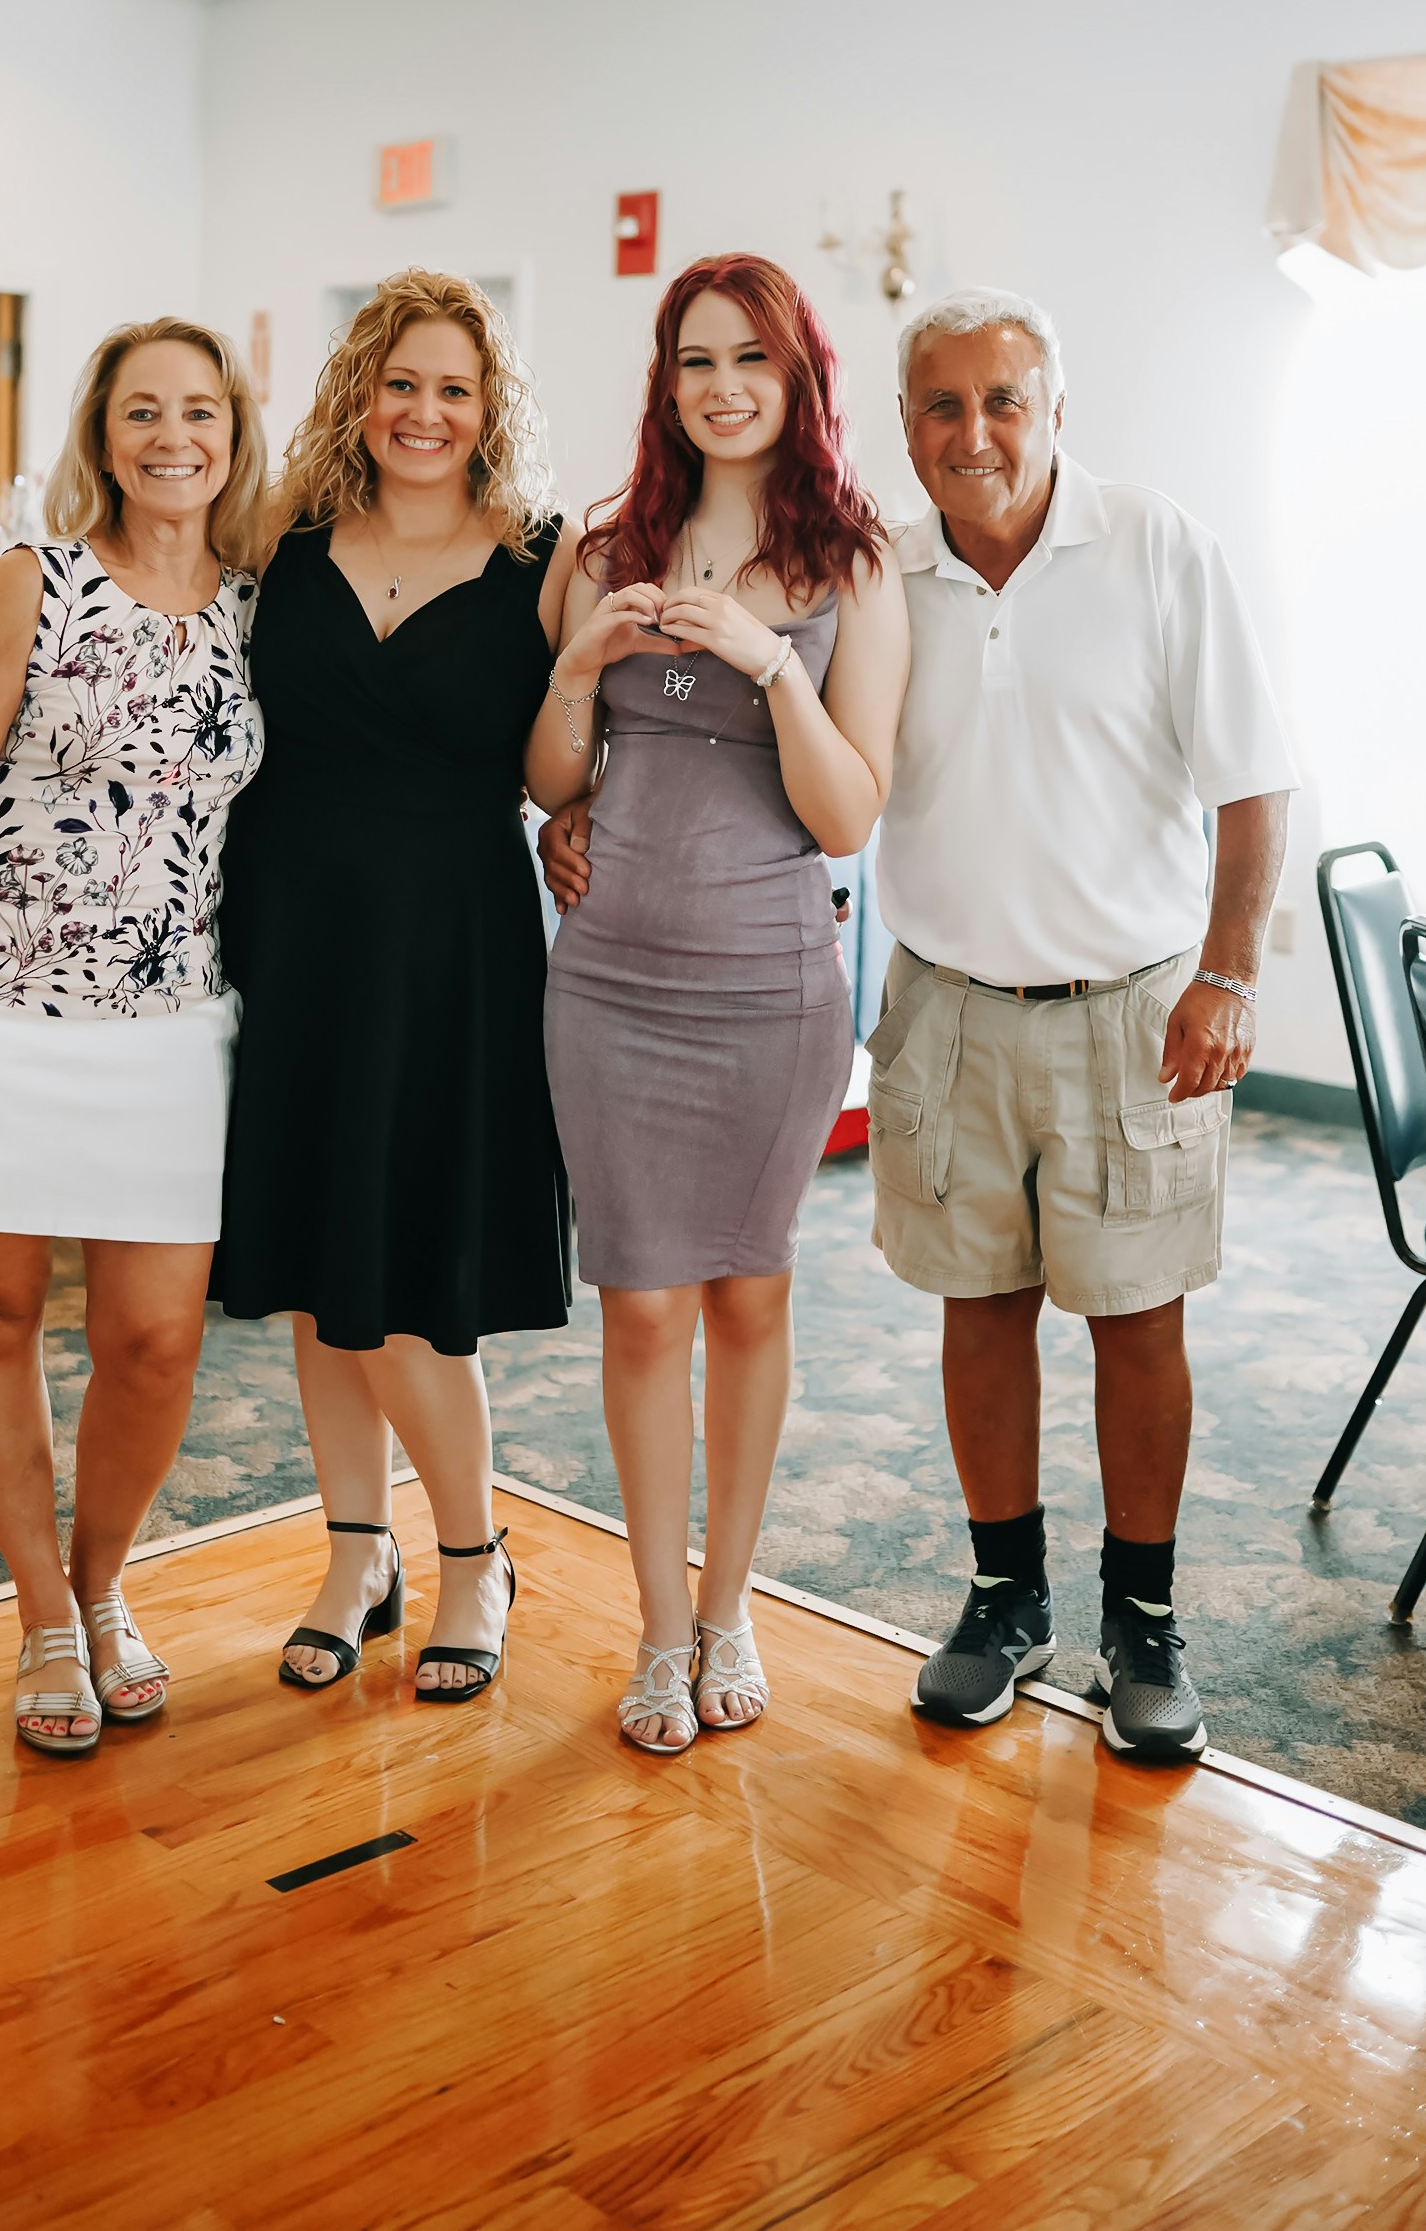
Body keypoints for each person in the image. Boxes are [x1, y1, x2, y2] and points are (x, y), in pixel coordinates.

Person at [869, 288, 1295, 1761]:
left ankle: (1144, 1622)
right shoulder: (883, 572)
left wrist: (1229, 971)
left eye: (1005, 400)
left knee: (1136, 1320)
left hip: (1133, 1012)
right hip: (944, 1008)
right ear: (905, 422)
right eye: (942, 405)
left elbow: (1253, 778)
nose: (974, 432)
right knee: (976, 1310)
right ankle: (1004, 1599)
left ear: (1057, 410)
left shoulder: (1156, 546)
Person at [0, 320, 266, 1756]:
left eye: (200, 412)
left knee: (154, 1342)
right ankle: (42, 1612)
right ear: (102, 434)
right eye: (143, 411)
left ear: (234, 433)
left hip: (170, 1028)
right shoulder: (32, 584)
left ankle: (103, 1589)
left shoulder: (260, 605)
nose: (173, 437)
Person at [527, 255, 910, 1755]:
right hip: (609, 980)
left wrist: (771, 671)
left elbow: (847, 818)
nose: (722, 385)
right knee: (638, 1313)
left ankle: (733, 1605)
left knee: (750, 1296)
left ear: (799, 373)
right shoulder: (602, 542)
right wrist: (577, 664)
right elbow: (553, 777)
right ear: (665, 383)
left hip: (770, 987)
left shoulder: (855, 566)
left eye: (750, 357)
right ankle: (658, 1632)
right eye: (694, 360)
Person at [212, 270, 574, 1704]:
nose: (424, 412)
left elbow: (578, 747)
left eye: (454, 389)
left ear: (490, 410)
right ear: (360, 389)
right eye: (401, 381)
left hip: (453, 950)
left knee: (422, 1284)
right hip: (298, 936)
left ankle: (476, 1556)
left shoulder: (547, 555)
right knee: (317, 1264)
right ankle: (356, 1554)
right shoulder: (282, 539)